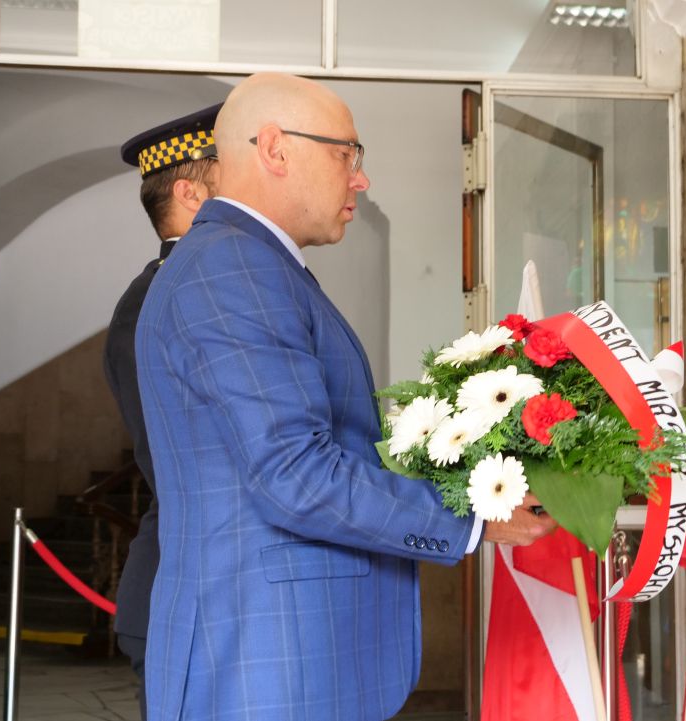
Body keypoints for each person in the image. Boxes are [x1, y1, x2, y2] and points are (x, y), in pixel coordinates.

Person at [134, 73, 557, 721]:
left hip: (277, 655)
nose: (360, 178)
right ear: (275, 148)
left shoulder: (249, 262)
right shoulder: (234, 267)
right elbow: (294, 473)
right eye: (346, 154)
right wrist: (473, 517)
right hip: (267, 662)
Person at [103, 103, 221, 721]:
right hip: (186, 593)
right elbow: (181, 455)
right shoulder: (157, 300)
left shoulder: (214, 286)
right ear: (190, 194)